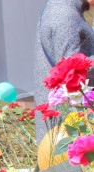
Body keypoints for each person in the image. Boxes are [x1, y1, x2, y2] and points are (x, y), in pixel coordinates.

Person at [34, 0, 94, 143]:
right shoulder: (64, 13)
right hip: (67, 128)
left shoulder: (66, 9)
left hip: (70, 123)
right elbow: (71, 70)